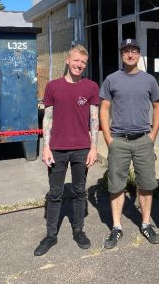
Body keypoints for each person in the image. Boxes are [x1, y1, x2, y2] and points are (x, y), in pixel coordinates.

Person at [34, 44, 100, 256]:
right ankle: (51, 235)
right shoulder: (53, 86)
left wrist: (94, 147)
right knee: (55, 193)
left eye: (83, 62)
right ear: (67, 61)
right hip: (57, 149)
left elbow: (94, 120)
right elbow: (48, 118)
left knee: (80, 191)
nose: (79, 65)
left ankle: (79, 231)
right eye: (76, 61)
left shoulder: (91, 87)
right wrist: (46, 147)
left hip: (82, 148)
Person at [99, 38, 159, 249]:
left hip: (143, 140)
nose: (130, 54)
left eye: (134, 51)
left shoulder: (149, 80)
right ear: (121, 55)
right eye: (126, 51)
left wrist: (152, 135)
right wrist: (108, 139)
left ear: (139, 54)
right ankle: (116, 227)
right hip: (119, 141)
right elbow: (104, 109)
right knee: (116, 186)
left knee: (146, 184)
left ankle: (145, 223)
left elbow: (157, 107)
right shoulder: (111, 79)